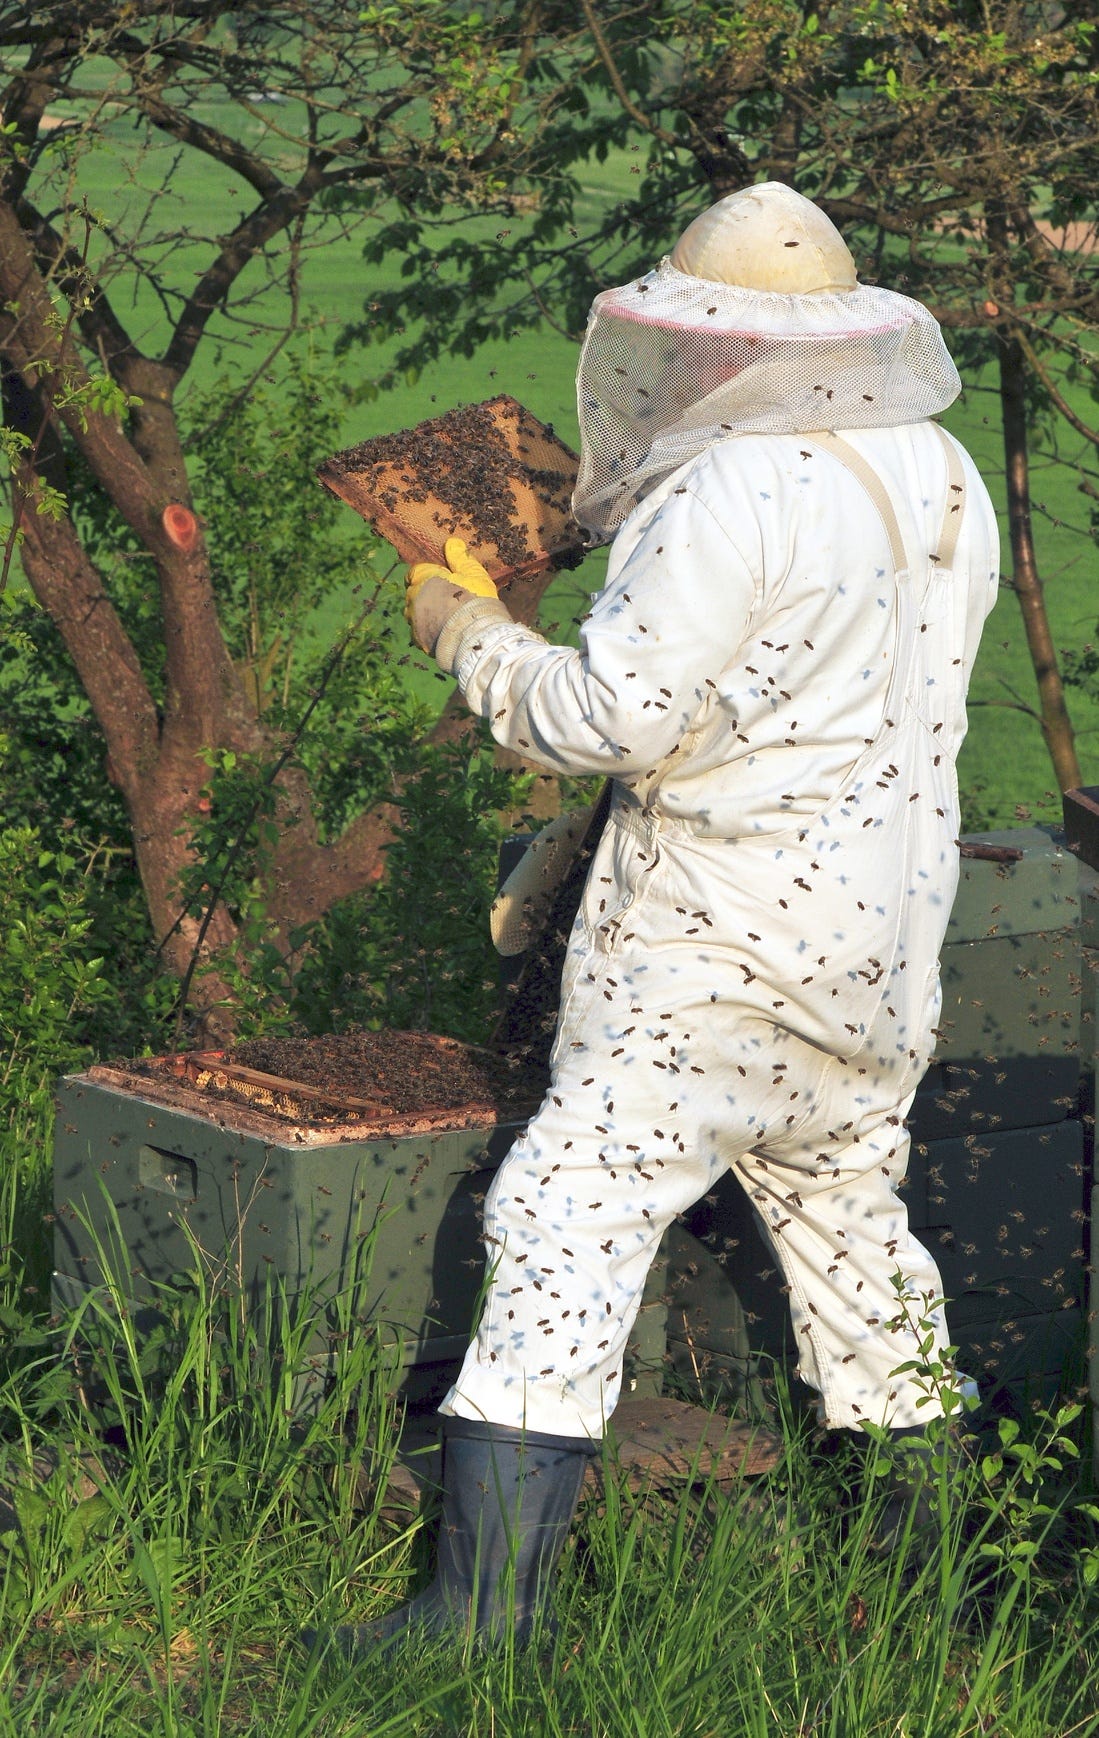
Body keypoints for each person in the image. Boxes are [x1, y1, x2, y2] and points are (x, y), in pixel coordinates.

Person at [334, 181, 1000, 1653]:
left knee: (562, 1218)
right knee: (856, 1241)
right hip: (880, 953)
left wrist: (468, 631)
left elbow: (606, 715)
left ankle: (476, 1619)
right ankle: (928, 1609)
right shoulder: (948, 472)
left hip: (711, 947)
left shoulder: (727, 492)